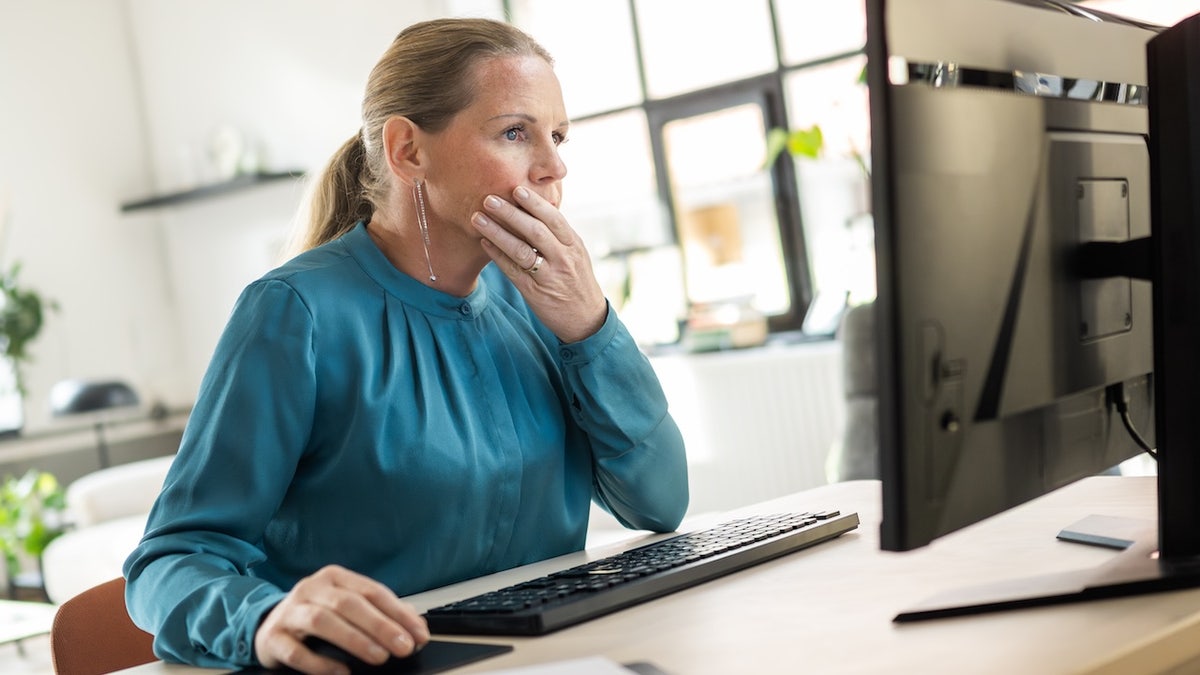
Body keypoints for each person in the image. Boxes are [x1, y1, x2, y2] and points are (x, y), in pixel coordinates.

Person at [122, 16, 689, 674]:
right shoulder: (294, 313)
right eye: (515, 132)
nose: (554, 164)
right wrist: (263, 617)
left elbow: (660, 501)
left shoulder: (544, 306)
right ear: (408, 152)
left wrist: (590, 324)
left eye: (557, 136)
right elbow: (169, 559)